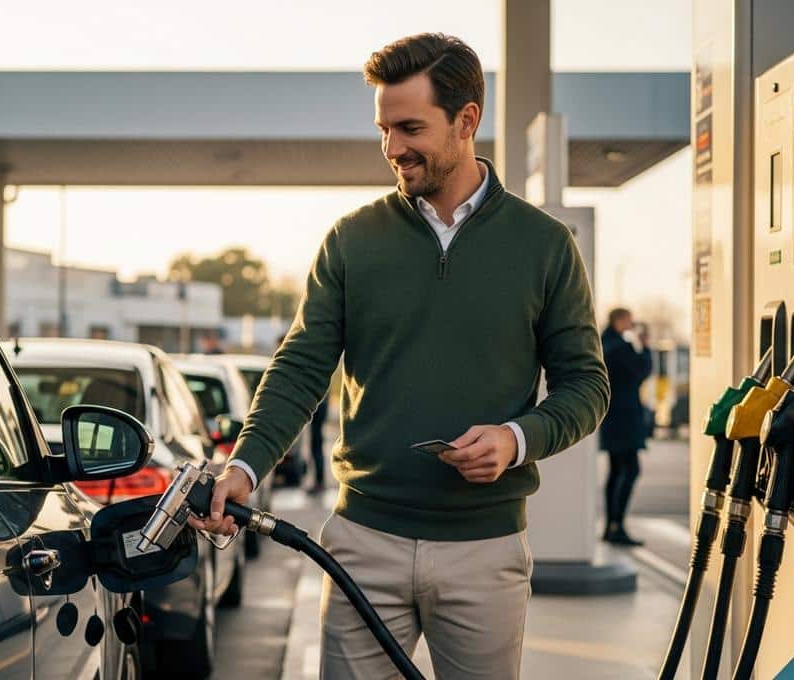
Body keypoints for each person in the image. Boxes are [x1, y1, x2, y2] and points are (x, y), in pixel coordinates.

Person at [190, 33, 609, 680]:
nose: (392, 148)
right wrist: (245, 465)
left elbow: (586, 386)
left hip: (486, 550)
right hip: (363, 542)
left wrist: (517, 439)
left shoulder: (545, 246)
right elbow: (301, 366)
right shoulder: (352, 241)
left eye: (410, 127)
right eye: (383, 129)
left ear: (467, 120)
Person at [598, 308, 653, 546]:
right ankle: (617, 525)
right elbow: (642, 371)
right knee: (630, 470)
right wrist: (645, 345)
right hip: (626, 419)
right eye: (629, 319)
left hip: (611, 418)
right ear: (619, 321)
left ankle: (611, 526)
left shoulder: (604, 343)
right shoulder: (621, 347)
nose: (633, 323)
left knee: (616, 471)